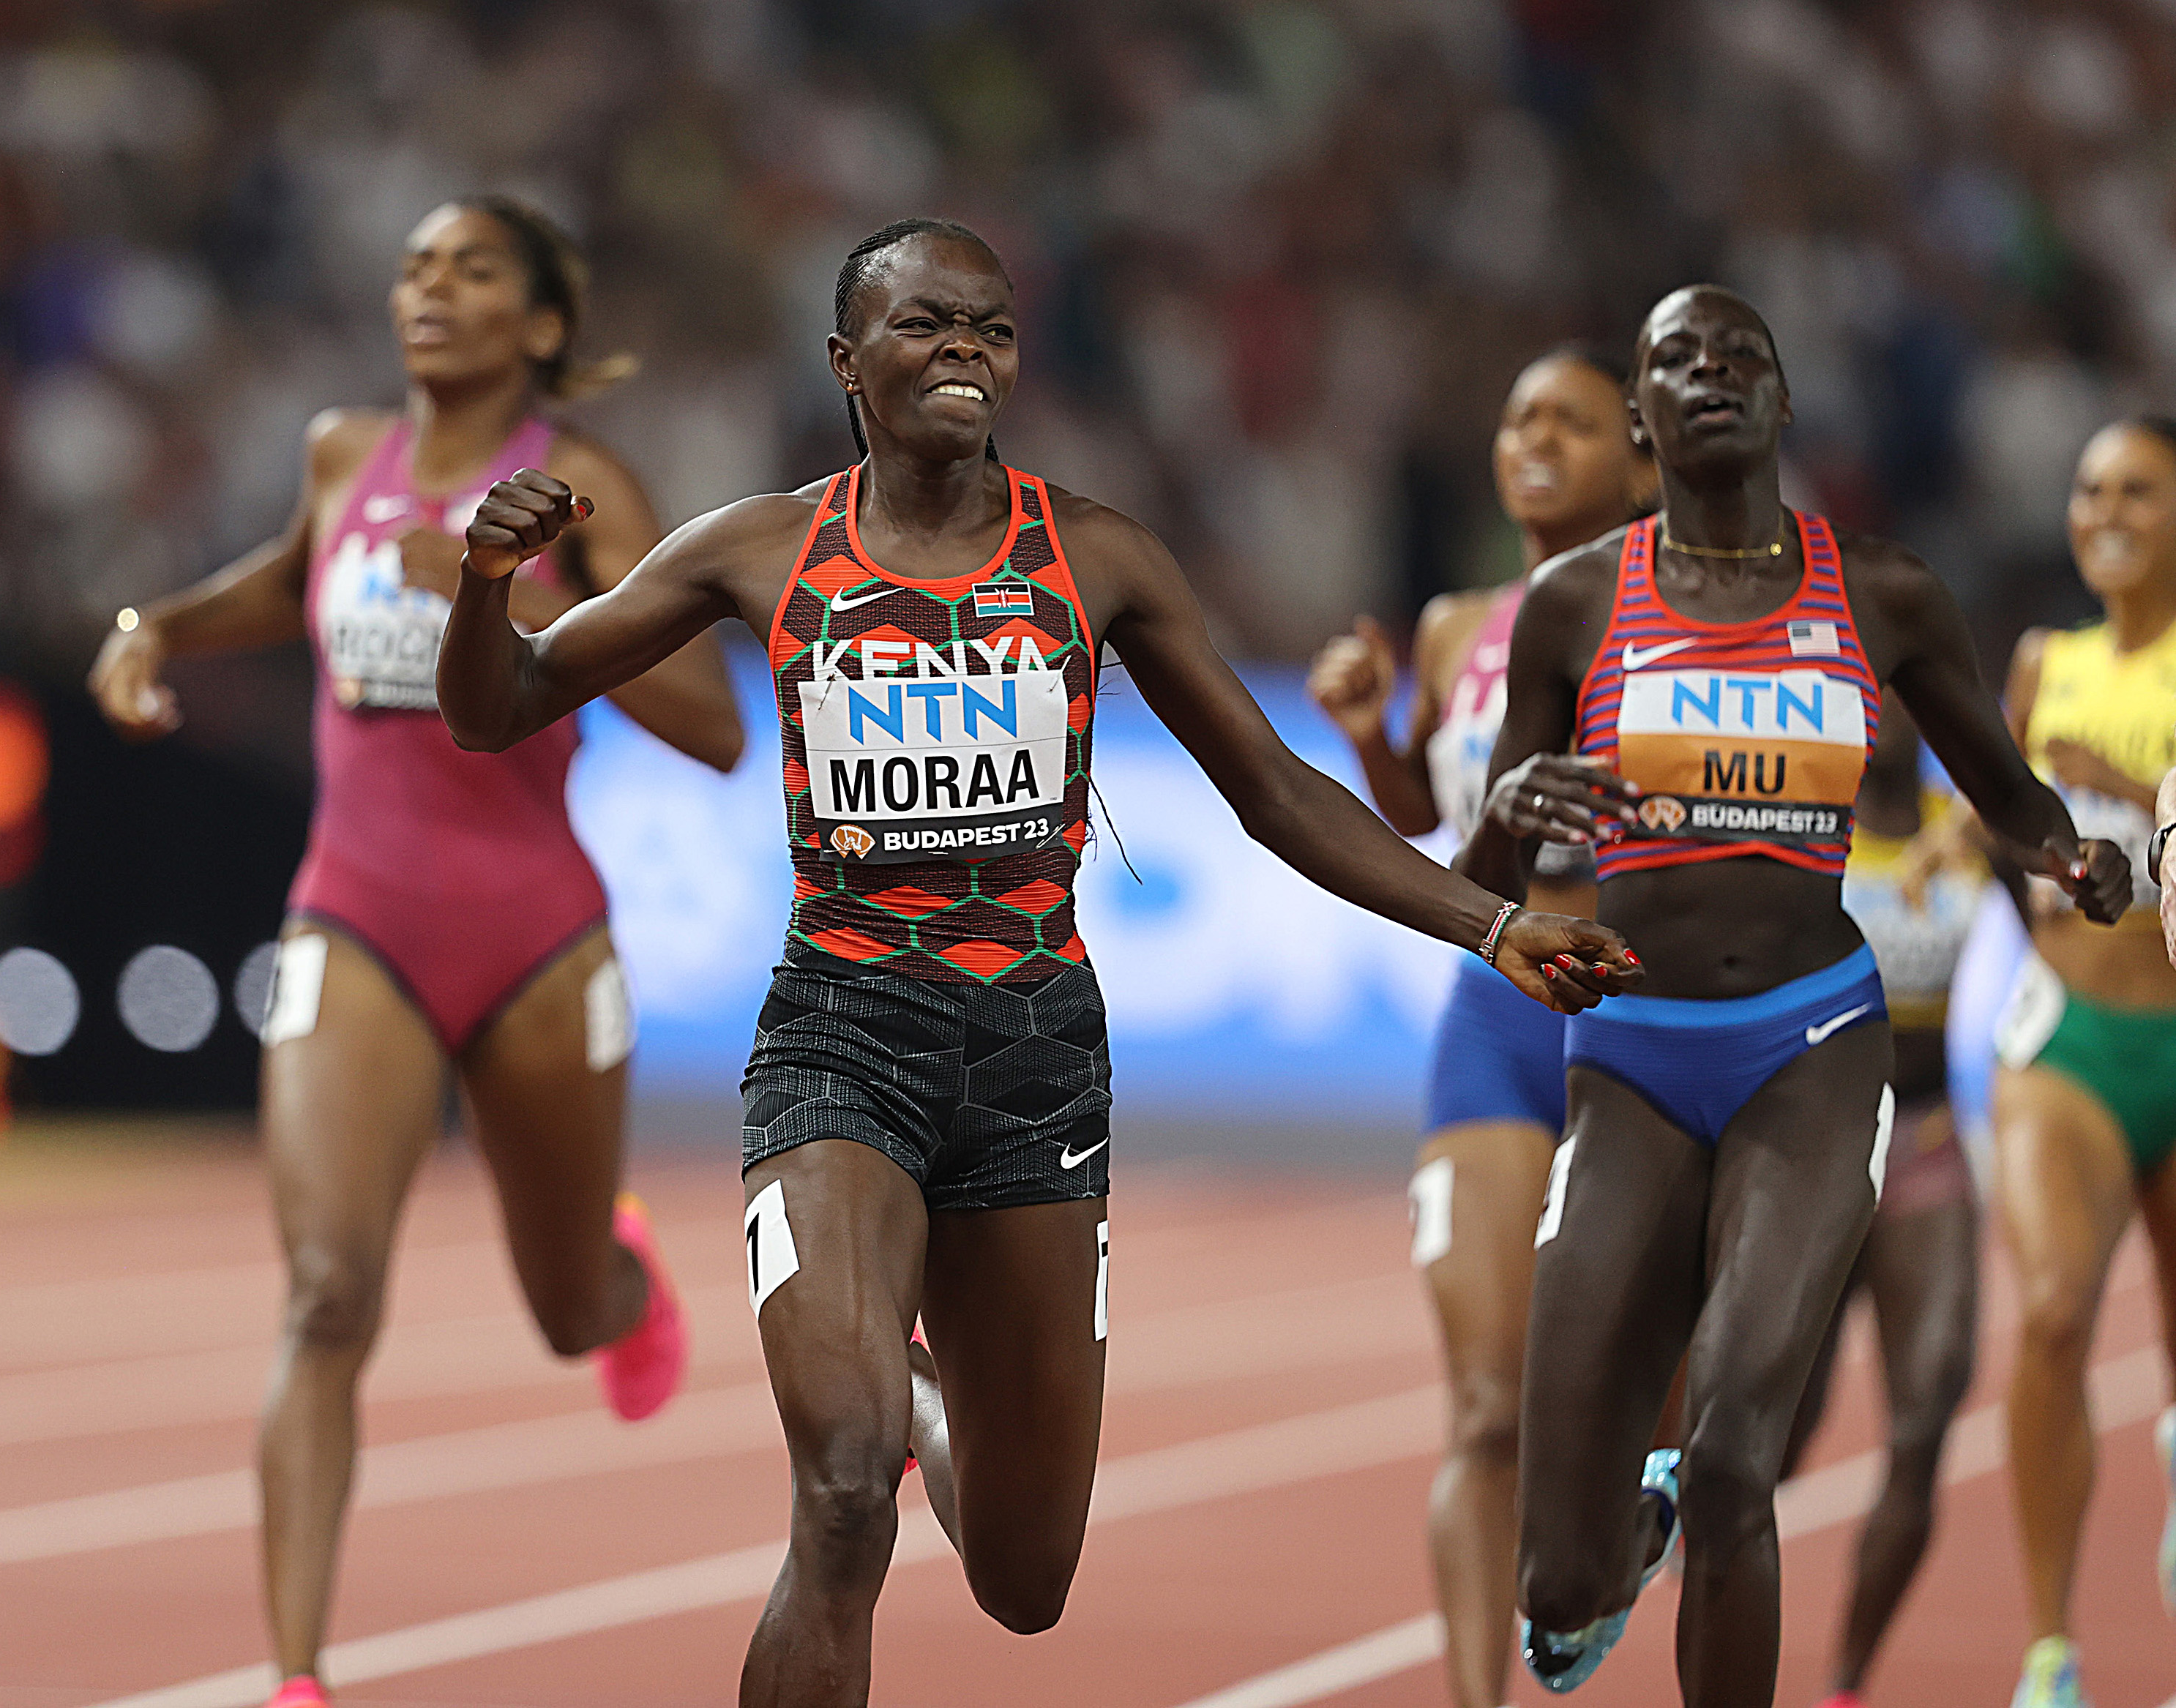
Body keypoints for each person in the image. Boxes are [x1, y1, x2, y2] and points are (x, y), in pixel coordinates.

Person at [434, 216, 1641, 1708]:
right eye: (925, 323)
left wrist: (1493, 923)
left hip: (1032, 1060)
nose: (964, 348)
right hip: (838, 1036)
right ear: (845, 362)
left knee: (1025, 1576)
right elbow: (497, 708)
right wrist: (487, 584)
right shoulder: (759, 547)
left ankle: (912, 1387)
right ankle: (867, 1398)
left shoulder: (1094, 554)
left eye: (990, 327)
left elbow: (1274, 791)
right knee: (840, 1497)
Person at [86, 197, 745, 1708]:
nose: (430, 289)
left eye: (473, 269)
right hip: (355, 917)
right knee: (326, 1293)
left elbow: (712, 726)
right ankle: (297, 1678)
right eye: (413, 267)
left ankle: (624, 1285)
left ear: (540, 325)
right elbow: (287, 578)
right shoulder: (343, 455)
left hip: (539, 938)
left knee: (566, 1309)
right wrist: (152, 627)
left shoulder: (585, 485)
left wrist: (512, 587)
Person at [1458, 284, 2127, 1708]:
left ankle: (1692, 1509)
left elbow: (2010, 798)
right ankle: (1612, 1549)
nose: (1709, 373)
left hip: (1811, 1049)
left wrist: (2078, 859)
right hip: (1629, 1058)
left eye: (1739, 356)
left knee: (1730, 1462)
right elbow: (1478, 882)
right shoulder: (1576, 603)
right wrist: (1508, 808)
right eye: (1676, 360)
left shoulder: (1877, 592)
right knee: (1555, 1579)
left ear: (1780, 401)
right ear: (1642, 419)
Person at [1306, 344, 1653, 1708]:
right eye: (1519, 419)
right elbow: (1432, 819)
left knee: (1649, 1406)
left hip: (1647, 1015)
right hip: (1498, 1022)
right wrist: (1368, 732)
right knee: (1487, 1405)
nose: (1537, 441)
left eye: (1575, 421)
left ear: (1640, 462)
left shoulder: (1678, 618)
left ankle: (1632, 1528)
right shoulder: (1457, 628)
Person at [1989, 416, 2176, 1708]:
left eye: (2140, 491)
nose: (2106, 510)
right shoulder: (2039, 663)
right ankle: (2052, 1649)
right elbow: (2001, 825)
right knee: (2054, 1309)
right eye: (2090, 487)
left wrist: (2134, 784)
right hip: (2066, 1039)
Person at [1778, 692, 1986, 1708]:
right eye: (1875, 686)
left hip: (1929, 1141)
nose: (1892, 706)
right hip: (1817, 1146)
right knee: (1783, 1422)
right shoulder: (1806, 824)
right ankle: (1693, 1513)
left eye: (1910, 683)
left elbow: (2072, 892)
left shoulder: (1968, 826)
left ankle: (1847, 1682)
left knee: (1928, 1406)